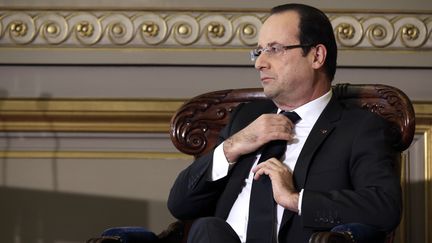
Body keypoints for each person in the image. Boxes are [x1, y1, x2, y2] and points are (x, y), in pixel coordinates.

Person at [167, 3, 401, 243]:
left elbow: (384, 208)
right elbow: (180, 205)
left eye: (275, 49)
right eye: (258, 52)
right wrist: (232, 146)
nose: (260, 63)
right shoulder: (245, 118)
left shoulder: (358, 128)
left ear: (316, 56)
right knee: (209, 229)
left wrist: (295, 199)